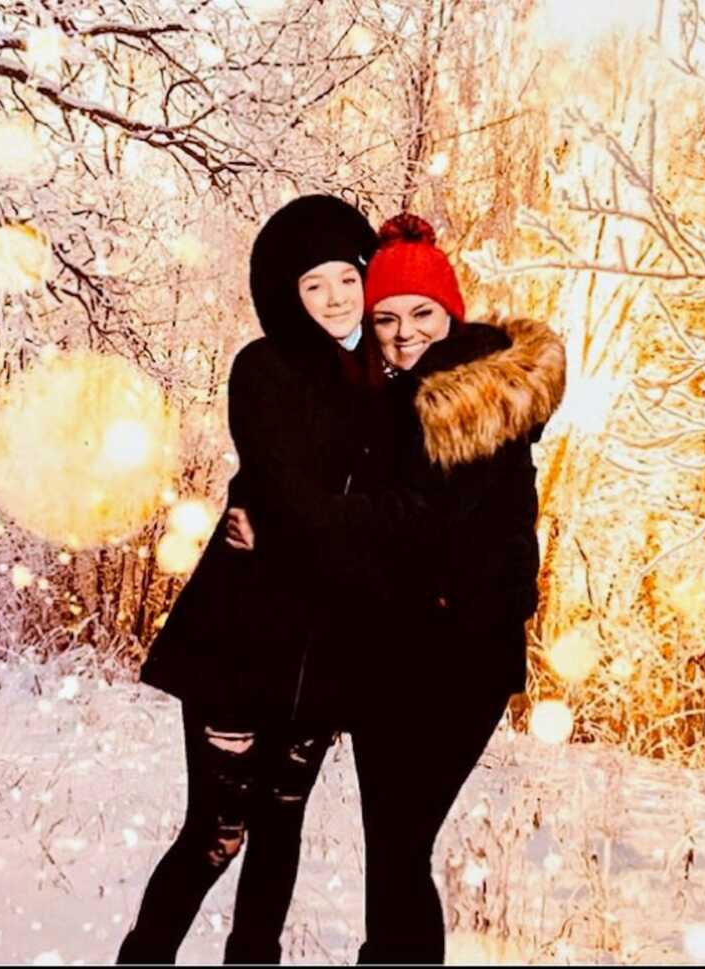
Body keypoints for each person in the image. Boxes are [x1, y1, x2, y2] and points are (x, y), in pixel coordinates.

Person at [226, 213, 566, 964]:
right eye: (385, 318)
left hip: (459, 660)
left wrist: (286, 527)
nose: (403, 331)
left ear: (451, 313)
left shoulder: (473, 399)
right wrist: (251, 497)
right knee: (395, 853)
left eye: (420, 314)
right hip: (394, 655)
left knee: (403, 841)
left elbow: (417, 518)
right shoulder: (397, 396)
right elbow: (334, 476)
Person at [117, 195, 435, 965]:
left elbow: (397, 512)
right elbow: (292, 495)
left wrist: (326, 528)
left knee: (281, 827)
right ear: (286, 294)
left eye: (347, 280)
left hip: (328, 649)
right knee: (219, 830)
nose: (334, 299)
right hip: (244, 637)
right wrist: (302, 523)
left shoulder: (387, 384)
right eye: (313, 285)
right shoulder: (264, 367)